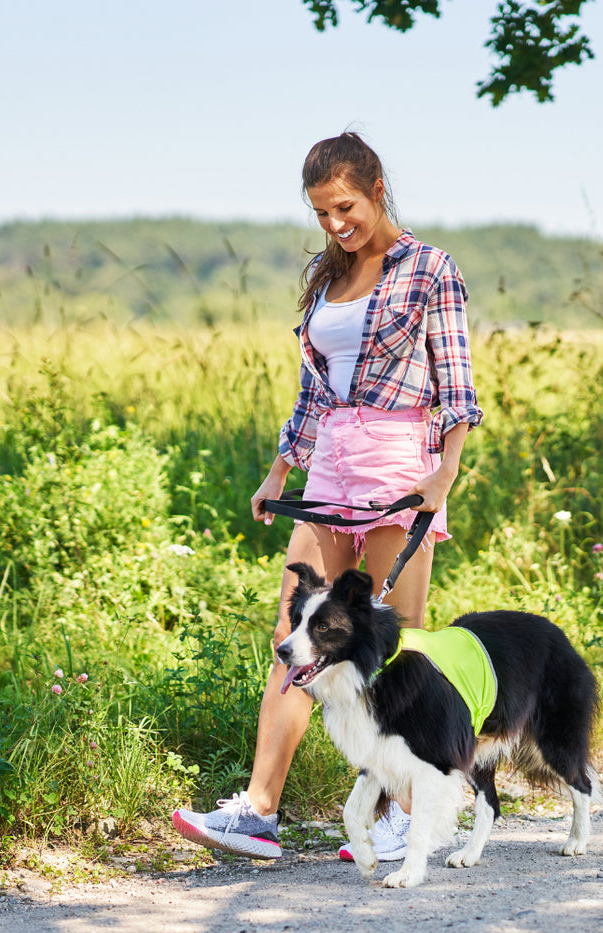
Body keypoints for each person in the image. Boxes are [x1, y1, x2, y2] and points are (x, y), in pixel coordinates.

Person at [172, 132, 482, 861]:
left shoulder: (430, 269)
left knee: (395, 645)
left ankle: (412, 809)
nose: (335, 223)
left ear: (376, 187)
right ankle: (257, 810)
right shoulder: (327, 275)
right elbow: (315, 387)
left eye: (344, 206)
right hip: (331, 465)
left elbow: (459, 385)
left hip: (396, 463)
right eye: (320, 212)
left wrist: (446, 472)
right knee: (294, 634)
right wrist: (282, 468)